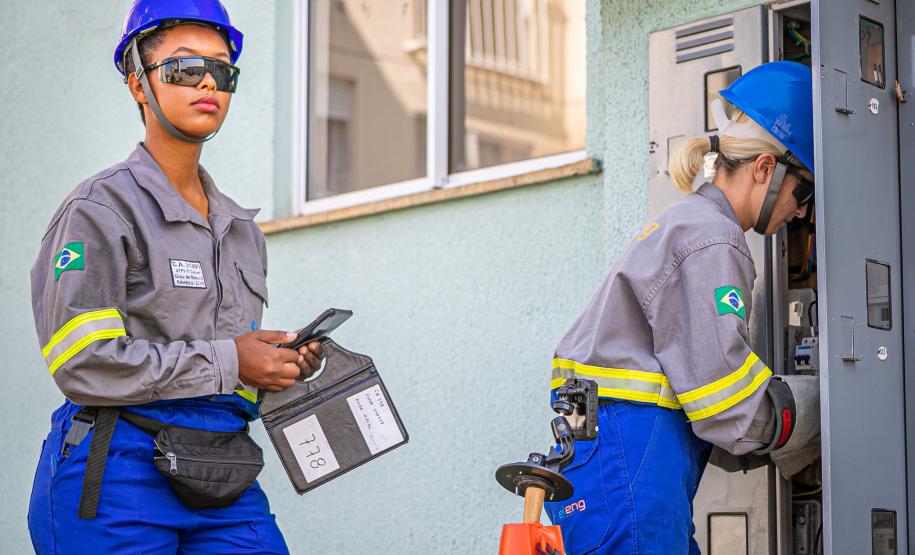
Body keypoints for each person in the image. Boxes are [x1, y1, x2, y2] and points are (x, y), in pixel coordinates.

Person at [27, 1, 323, 552]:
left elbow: (222, 367)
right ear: (138, 83)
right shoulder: (100, 210)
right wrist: (233, 360)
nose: (209, 82)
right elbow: (82, 361)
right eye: (186, 67)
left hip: (223, 468)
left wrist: (275, 365)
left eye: (223, 71)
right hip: (119, 469)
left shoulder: (241, 231)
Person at [543, 61, 821, 554]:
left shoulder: (688, 222)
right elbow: (725, 401)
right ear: (765, 168)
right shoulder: (713, 240)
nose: (802, 210)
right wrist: (818, 410)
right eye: (805, 191)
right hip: (630, 462)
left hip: (610, 461)